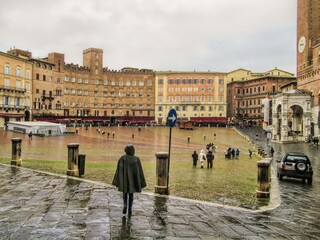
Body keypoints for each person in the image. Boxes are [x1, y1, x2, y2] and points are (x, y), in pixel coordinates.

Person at [112, 145, 146, 217]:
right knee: (131, 195)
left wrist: (117, 180)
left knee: (125, 193)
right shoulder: (136, 159)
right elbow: (139, 171)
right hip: (132, 181)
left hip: (125, 180)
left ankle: (125, 205)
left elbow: (119, 170)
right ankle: (130, 208)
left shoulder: (122, 158)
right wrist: (141, 181)